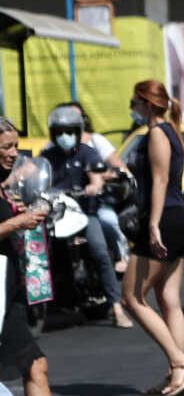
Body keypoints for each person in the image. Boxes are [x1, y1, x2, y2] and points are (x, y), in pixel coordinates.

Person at [0, 117, 105, 396]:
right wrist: (16, 223)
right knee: (34, 365)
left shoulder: (5, 183)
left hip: (8, 290)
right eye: (6, 147)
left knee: (36, 365)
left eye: (15, 146)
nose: (14, 153)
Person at [121, 80, 184, 396]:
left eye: (134, 102)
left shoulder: (157, 133)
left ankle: (181, 361)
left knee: (132, 297)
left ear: (146, 103)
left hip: (164, 219)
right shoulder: (170, 131)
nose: (133, 108)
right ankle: (177, 374)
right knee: (168, 300)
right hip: (175, 217)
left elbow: (160, 179)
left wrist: (152, 225)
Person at [40, 105, 132, 327]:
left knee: (99, 250)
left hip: (84, 213)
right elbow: (33, 173)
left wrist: (94, 185)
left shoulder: (87, 152)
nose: (64, 136)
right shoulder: (47, 156)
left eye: (69, 131)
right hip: (57, 214)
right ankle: (45, 304)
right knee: (42, 252)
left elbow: (96, 176)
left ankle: (117, 307)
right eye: (59, 132)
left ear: (78, 131)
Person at [68, 101, 129, 272]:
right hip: (67, 205)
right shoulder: (55, 147)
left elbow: (119, 168)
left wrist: (104, 178)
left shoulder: (94, 142)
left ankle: (121, 256)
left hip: (95, 204)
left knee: (108, 221)